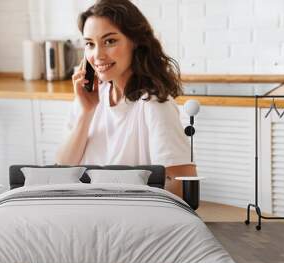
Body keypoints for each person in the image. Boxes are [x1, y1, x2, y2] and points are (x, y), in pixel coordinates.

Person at [56, 0, 196, 197]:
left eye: (110, 41)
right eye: (90, 44)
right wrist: (86, 112)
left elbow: (182, 184)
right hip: (86, 209)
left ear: (136, 42)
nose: (97, 55)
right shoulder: (91, 97)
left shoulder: (153, 104)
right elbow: (63, 167)